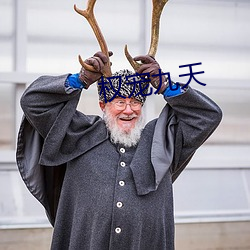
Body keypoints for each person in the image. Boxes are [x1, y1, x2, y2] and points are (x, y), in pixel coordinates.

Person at [16, 51, 222, 250]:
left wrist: (164, 84)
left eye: (135, 102)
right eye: (120, 102)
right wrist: (80, 80)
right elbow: (32, 102)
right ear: (103, 105)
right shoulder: (78, 133)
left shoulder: (163, 140)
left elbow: (208, 116)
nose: (129, 110)